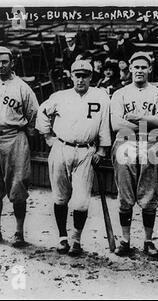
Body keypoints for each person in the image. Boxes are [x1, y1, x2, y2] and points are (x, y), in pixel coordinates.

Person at [36, 60, 111, 256]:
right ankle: (62, 237)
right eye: (77, 75)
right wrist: (47, 137)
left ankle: (76, 239)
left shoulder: (101, 97)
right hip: (61, 147)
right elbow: (42, 113)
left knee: (81, 202)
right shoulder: (60, 96)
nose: (80, 79)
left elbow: (104, 124)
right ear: (71, 76)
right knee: (60, 197)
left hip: (86, 151)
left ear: (90, 77)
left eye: (85, 75)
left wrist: (102, 150)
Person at [0, 46, 39, 248]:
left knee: (17, 187)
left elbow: (33, 117)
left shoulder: (22, 88)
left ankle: (19, 233)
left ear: (12, 63)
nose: (1, 65)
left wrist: (24, 138)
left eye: (5, 61)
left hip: (13, 138)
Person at [110, 52, 158, 257]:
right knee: (125, 195)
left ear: (149, 69)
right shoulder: (120, 93)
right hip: (125, 142)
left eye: (144, 67)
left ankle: (148, 241)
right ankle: (125, 241)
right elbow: (116, 124)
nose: (140, 70)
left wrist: (135, 117)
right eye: (136, 67)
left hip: (151, 144)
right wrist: (146, 122)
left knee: (149, 194)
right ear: (130, 69)